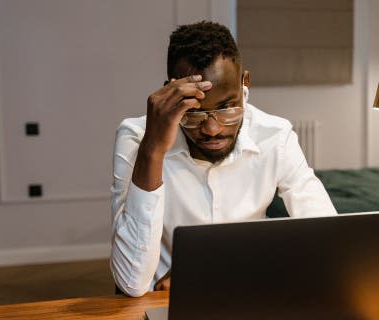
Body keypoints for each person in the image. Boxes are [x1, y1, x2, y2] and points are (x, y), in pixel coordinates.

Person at [110, 21, 337, 297]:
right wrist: (153, 150)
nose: (212, 129)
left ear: (245, 84)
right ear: (171, 92)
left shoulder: (275, 136)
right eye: (194, 112)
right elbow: (131, 283)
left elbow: (328, 240)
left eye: (227, 107)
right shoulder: (136, 139)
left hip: (250, 295)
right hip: (166, 301)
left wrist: (207, 271)